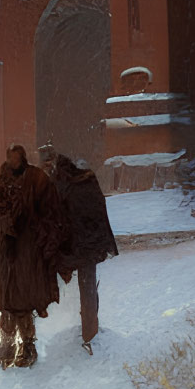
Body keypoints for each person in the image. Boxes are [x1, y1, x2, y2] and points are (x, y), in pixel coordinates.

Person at [0, 143, 65, 368]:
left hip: (27, 249)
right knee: (8, 299)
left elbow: (51, 211)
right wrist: (2, 222)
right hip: (6, 250)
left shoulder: (36, 179)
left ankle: (27, 344)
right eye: (10, 158)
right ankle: (7, 342)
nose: (12, 162)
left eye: (16, 158)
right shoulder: (3, 180)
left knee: (23, 299)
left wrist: (34, 229)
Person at [44, 146, 117, 354]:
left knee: (56, 282)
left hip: (76, 244)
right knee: (88, 289)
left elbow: (56, 217)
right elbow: (99, 210)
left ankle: (82, 333)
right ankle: (90, 332)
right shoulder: (88, 180)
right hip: (91, 244)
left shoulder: (61, 184)